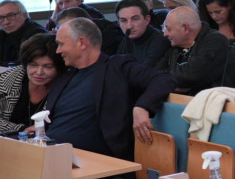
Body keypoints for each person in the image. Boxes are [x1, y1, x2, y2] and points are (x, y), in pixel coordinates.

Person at [47, 18, 175, 163]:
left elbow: (164, 79)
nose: (58, 50)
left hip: (93, 160)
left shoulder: (117, 67)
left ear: (82, 43)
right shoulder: (66, 75)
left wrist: (141, 107)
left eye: (61, 44)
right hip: (51, 151)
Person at [158, 7, 235, 93]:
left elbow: (192, 75)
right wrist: (172, 85)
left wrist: (165, 82)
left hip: (212, 101)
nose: (165, 34)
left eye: (169, 29)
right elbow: (155, 73)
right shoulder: (176, 44)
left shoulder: (216, 41)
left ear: (185, 28)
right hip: (183, 101)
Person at [0, 34, 63, 136]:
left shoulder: (66, 87)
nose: (39, 72)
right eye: (33, 65)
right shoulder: (6, 80)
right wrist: (22, 129)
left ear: (59, 68)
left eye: (48, 66)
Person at [114, 0, 170, 68]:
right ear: (118, 22)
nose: (129, 26)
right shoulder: (127, 38)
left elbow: (143, 73)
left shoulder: (160, 41)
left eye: (135, 19)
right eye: (124, 20)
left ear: (147, 20)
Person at [0, 0, 46, 66]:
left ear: (24, 15)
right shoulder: (3, 34)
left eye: (11, 15)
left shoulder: (37, 34)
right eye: (1, 17)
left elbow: (27, 64)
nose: (6, 22)